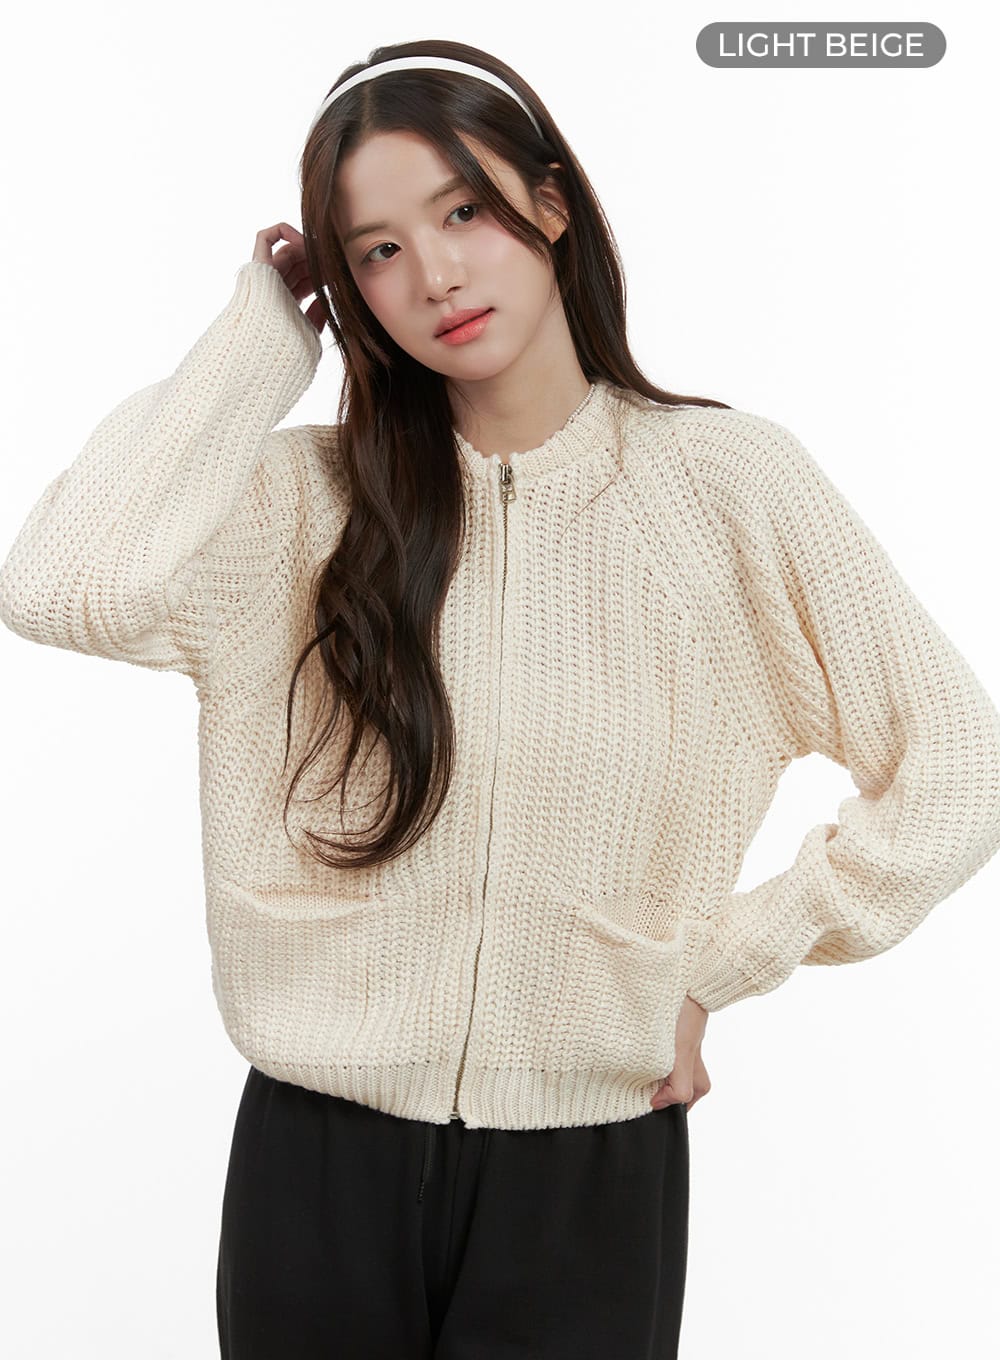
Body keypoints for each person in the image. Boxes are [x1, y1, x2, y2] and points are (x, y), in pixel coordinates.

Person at [1, 34, 999, 1360]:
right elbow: (60, 587)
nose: (435, 275)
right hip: (316, 1158)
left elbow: (959, 763)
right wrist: (254, 347)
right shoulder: (299, 504)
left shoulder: (730, 490)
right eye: (378, 250)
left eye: (463, 211)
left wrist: (724, 964)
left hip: (589, 1168)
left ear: (551, 202)